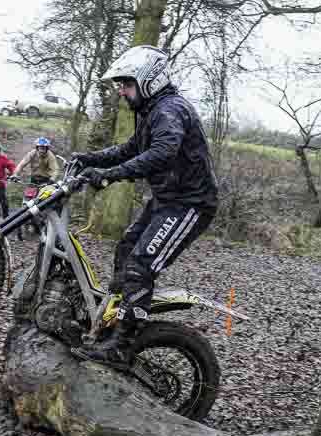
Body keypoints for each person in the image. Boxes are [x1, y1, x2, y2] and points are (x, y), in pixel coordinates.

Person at [69, 45, 219, 368]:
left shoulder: (170, 111)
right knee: (125, 250)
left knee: (140, 265)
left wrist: (109, 176)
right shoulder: (152, 111)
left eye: (126, 84)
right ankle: (114, 324)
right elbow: (132, 148)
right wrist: (90, 160)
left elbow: (163, 152)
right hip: (168, 200)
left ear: (148, 80)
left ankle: (121, 347)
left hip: (190, 205)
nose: (122, 91)